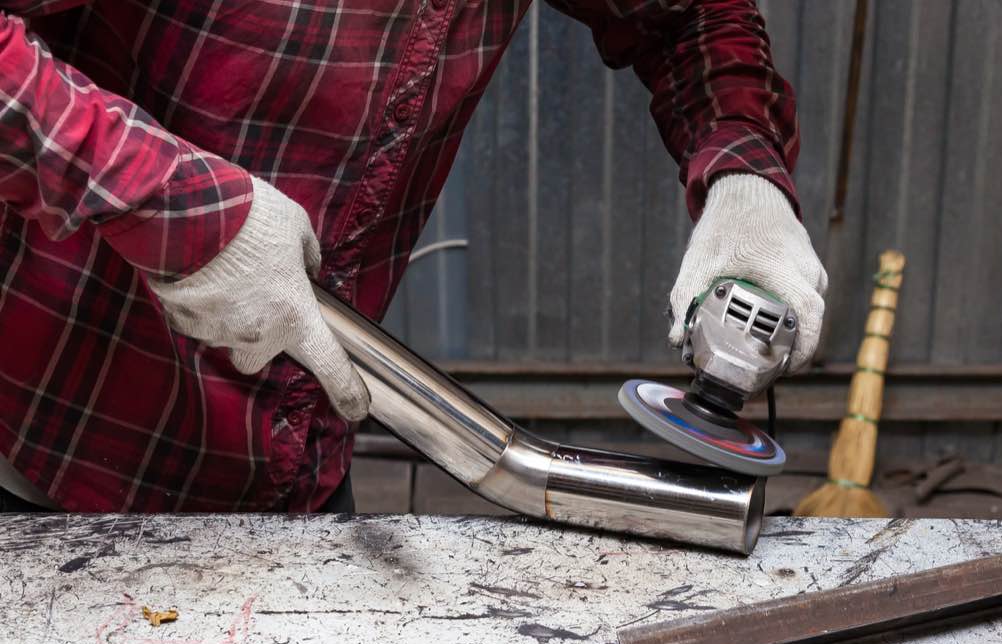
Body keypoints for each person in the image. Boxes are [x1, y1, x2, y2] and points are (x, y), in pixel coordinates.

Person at [0, 0, 827, 513]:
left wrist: (743, 176)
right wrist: (167, 205)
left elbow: (684, 18)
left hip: (294, 465)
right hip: (50, 446)